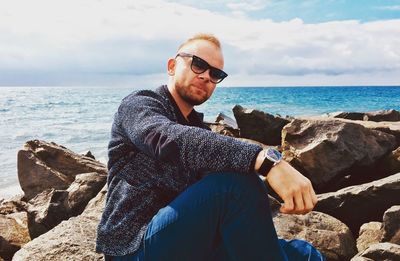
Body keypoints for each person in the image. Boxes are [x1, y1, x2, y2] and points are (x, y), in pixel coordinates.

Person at [96, 33, 324, 261]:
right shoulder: (140, 105)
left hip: (189, 241)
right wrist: (268, 162)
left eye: (215, 73)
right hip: (134, 247)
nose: (206, 76)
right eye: (198, 64)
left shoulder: (201, 131)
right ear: (172, 66)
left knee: (303, 254)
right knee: (234, 186)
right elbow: (167, 139)